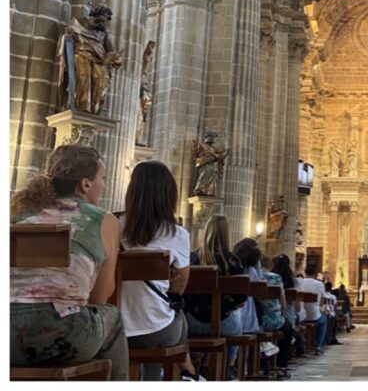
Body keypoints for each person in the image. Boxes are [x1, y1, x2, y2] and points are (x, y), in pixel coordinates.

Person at [10, 144, 128, 380]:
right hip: (60, 333)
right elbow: (99, 298)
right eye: (102, 178)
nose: (103, 186)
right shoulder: (103, 219)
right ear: (85, 184)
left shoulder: (17, 214)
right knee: (112, 317)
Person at [119, 160, 200, 381]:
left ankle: (186, 373)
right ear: (169, 195)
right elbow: (182, 281)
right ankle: (187, 373)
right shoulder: (177, 234)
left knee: (164, 316)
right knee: (175, 315)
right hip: (155, 329)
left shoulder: (113, 225)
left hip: (115, 327)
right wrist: (171, 288)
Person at [184, 214, 247, 380]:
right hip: (223, 324)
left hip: (193, 323)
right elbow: (241, 301)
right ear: (226, 233)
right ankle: (230, 366)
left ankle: (200, 364)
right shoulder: (233, 261)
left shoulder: (192, 258)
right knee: (239, 313)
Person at [234, 240, 293, 378]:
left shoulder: (234, 271)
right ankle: (281, 365)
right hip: (257, 321)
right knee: (288, 327)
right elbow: (283, 306)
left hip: (235, 317)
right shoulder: (267, 277)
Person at [57, 2, 122, 115]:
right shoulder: (78, 23)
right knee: (84, 77)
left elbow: (110, 48)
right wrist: (68, 36)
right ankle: (81, 106)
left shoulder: (104, 31)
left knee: (102, 79)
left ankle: (94, 108)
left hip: (100, 59)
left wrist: (115, 58)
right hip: (82, 54)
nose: (104, 22)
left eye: (106, 20)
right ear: (95, 15)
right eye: (103, 19)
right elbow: (67, 37)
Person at [297, 261, 328, 355]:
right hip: (314, 315)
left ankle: (302, 344)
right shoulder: (320, 284)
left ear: (305, 272)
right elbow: (321, 302)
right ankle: (318, 346)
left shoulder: (299, 282)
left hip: (300, 314)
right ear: (315, 274)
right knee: (324, 320)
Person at [191, 131, 229, 197]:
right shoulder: (202, 145)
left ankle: (209, 191)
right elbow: (196, 154)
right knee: (204, 175)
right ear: (209, 138)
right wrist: (195, 146)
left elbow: (218, 155)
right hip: (205, 164)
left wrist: (221, 156)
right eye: (213, 137)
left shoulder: (213, 148)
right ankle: (198, 189)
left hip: (212, 164)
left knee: (213, 176)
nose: (214, 140)